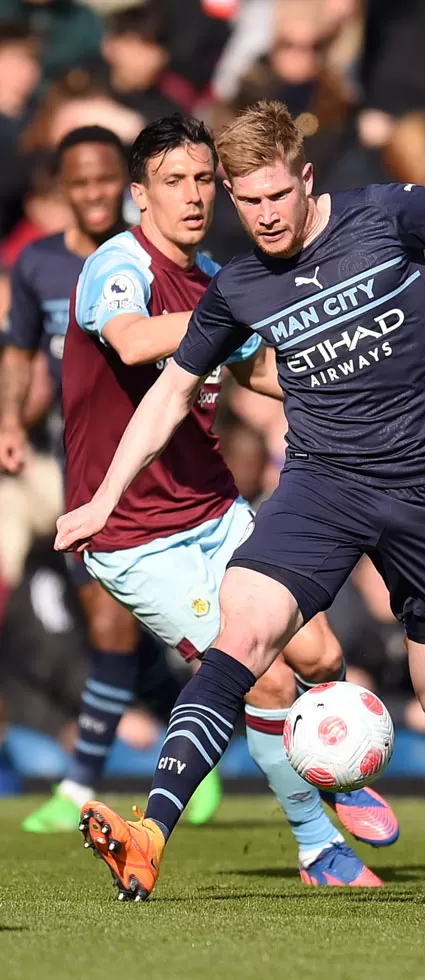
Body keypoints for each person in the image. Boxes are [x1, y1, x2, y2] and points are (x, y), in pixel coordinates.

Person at [55, 101, 425, 902]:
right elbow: (168, 394)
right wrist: (102, 498)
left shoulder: (384, 213)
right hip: (324, 486)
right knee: (247, 635)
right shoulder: (240, 288)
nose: (262, 216)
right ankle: (150, 832)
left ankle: (406, 733)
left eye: (276, 197)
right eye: (246, 200)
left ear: (306, 179)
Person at [59, 114, 402, 887]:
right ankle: (320, 848)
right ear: (138, 195)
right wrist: (233, 313)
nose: (192, 195)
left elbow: (257, 376)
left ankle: (333, 766)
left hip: (217, 510)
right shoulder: (118, 265)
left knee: (317, 653)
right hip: (139, 538)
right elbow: (134, 340)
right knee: (267, 677)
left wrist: (349, 371)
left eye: (204, 180)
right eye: (172, 182)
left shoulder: (218, 276)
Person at [0, 125, 235, 835]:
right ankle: (176, 748)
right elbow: (20, 354)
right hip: (63, 462)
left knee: (119, 630)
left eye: (107, 177)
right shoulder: (42, 265)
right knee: (109, 628)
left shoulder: (176, 268)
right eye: (82, 181)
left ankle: (90, 781)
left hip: (157, 463)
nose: (96, 191)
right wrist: (11, 419)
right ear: (61, 192)